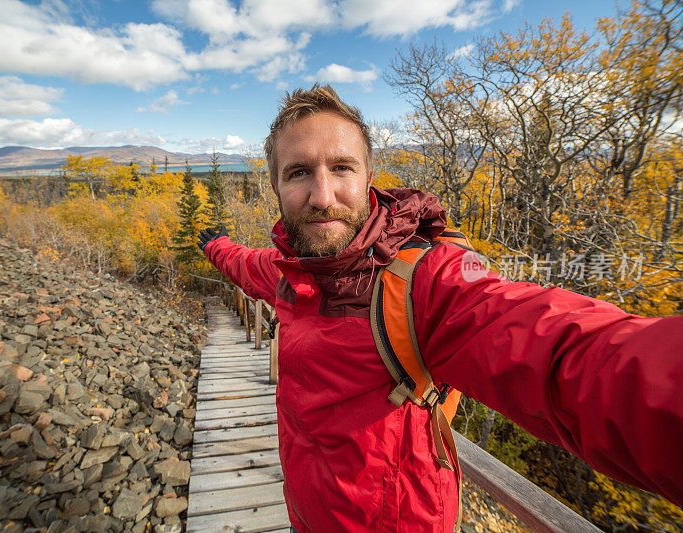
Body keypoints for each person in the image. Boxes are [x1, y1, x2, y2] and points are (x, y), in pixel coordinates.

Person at [197, 84, 683, 532]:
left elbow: (565, 355)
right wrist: (214, 244)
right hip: (310, 511)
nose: (323, 196)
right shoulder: (290, 271)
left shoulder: (428, 282)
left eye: (341, 168)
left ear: (369, 178)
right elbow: (244, 263)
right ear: (277, 188)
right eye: (299, 172)